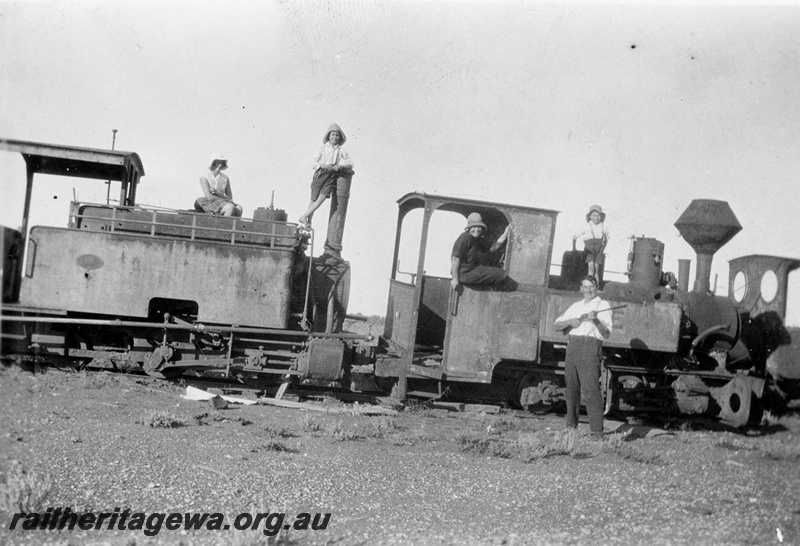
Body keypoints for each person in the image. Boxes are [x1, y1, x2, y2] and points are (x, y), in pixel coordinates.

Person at [554, 275, 612, 439]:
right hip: (573, 346)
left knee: (590, 389)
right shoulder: (576, 306)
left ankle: (596, 431)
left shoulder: (603, 305)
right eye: (585, 287)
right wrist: (570, 322)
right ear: (581, 288)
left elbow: (606, 334)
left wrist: (596, 321)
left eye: (591, 287)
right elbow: (557, 325)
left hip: (591, 346)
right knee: (571, 388)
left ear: (597, 286)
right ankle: (571, 427)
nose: (588, 290)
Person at [298, 124, 354, 229]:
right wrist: (324, 166)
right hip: (320, 174)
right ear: (328, 136)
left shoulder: (341, 150)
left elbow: (350, 163)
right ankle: (308, 221)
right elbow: (313, 162)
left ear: (340, 137)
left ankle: (304, 216)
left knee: (322, 197)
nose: (334, 137)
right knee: (313, 199)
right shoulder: (322, 148)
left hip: (332, 176)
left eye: (337, 135)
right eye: (332, 135)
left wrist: (340, 166)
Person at [450, 213, 513, 290]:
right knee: (500, 274)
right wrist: (455, 278)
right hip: (464, 274)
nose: (476, 229)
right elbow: (455, 258)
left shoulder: (479, 239)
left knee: (499, 273)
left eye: (479, 227)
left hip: (473, 271)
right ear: (468, 228)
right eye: (473, 227)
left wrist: (505, 234)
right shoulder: (464, 237)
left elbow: (492, 248)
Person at [572, 204, 609, 279]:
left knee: (597, 269)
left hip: (599, 251)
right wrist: (574, 248)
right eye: (594, 216)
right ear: (590, 216)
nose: (596, 218)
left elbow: (606, 239)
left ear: (601, 216)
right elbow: (575, 236)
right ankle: (590, 284)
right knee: (591, 268)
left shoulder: (604, 227)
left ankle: (596, 286)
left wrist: (602, 250)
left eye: (598, 215)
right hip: (589, 250)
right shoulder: (586, 227)